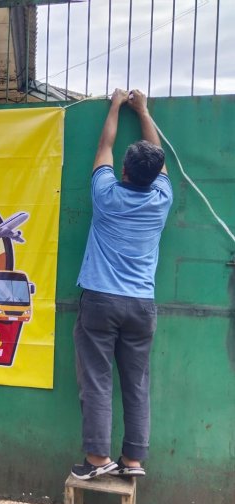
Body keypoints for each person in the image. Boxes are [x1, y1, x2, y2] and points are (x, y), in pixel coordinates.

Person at [71, 89, 172, 480]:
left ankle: (97, 461)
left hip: (100, 301)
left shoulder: (106, 194)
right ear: (154, 175)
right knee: (137, 382)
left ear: (125, 172)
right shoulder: (162, 198)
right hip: (141, 305)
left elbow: (104, 146)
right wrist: (144, 111)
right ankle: (133, 461)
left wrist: (115, 106)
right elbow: (156, 159)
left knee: (96, 379)